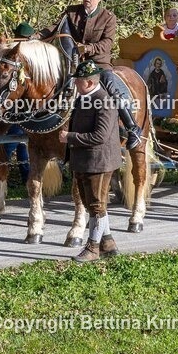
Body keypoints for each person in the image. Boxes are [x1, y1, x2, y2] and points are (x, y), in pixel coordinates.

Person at [31, 0, 143, 148]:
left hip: (98, 64)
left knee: (111, 87)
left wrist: (88, 48)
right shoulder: (71, 12)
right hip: (73, 63)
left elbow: (108, 43)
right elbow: (53, 27)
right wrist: (37, 36)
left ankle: (132, 127)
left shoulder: (108, 18)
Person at [58, 60, 122, 262]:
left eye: (78, 81)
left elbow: (100, 136)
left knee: (96, 205)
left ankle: (93, 248)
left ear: (88, 82)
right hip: (85, 160)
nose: (75, 84)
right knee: (92, 204)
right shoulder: (83, 98)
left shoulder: (104, 101)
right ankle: (108, 242)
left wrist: (70, 137)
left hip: (99, 162)